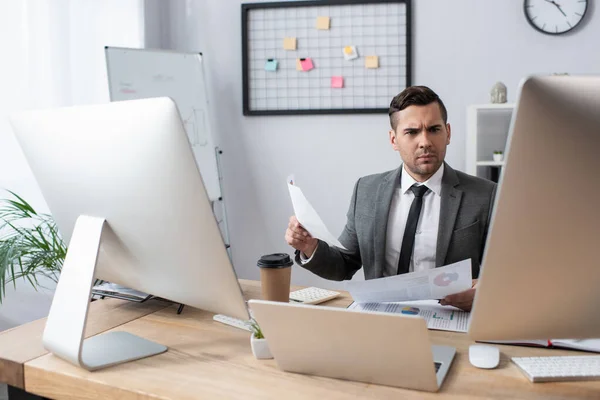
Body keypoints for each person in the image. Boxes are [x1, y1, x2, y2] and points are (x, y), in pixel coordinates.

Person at [285, 86, 497, 311]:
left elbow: (506, 273)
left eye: (434, 129)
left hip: (450, 318)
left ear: (448, 133)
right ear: (394, 140)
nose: (425, 141)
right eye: (412, 132)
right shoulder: (366, 190)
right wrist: (310, 247)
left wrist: (483, 292)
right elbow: (344, 264)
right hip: (383, 318)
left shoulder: (485, 195)